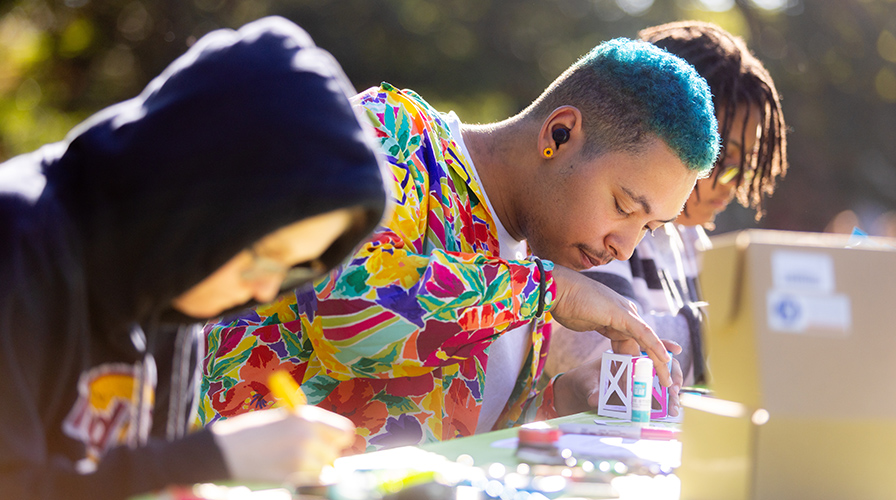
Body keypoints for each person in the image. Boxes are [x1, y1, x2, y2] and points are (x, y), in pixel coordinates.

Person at [199, 37, 720, 452]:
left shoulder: (538, 254)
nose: (625, 247)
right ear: (560, 133)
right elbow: (344, 313)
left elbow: (456, 431)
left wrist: (565, 398)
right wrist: (548, 290)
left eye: (649, 228)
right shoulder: (391, 132)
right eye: (625, 207)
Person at [0, 16, 388, 500]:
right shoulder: (17, 242)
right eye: (265, 255)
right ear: (201, 201)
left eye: (294, 269)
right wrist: (213, 455)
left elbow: (139, 479)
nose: (266, 290)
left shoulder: (173, 288)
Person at [545, 21, 788, 387]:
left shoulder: (690, 241)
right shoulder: (595, 226)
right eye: (723, 160)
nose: (733, 184)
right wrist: (745, 326)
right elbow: (597, 358)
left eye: (747, 167)